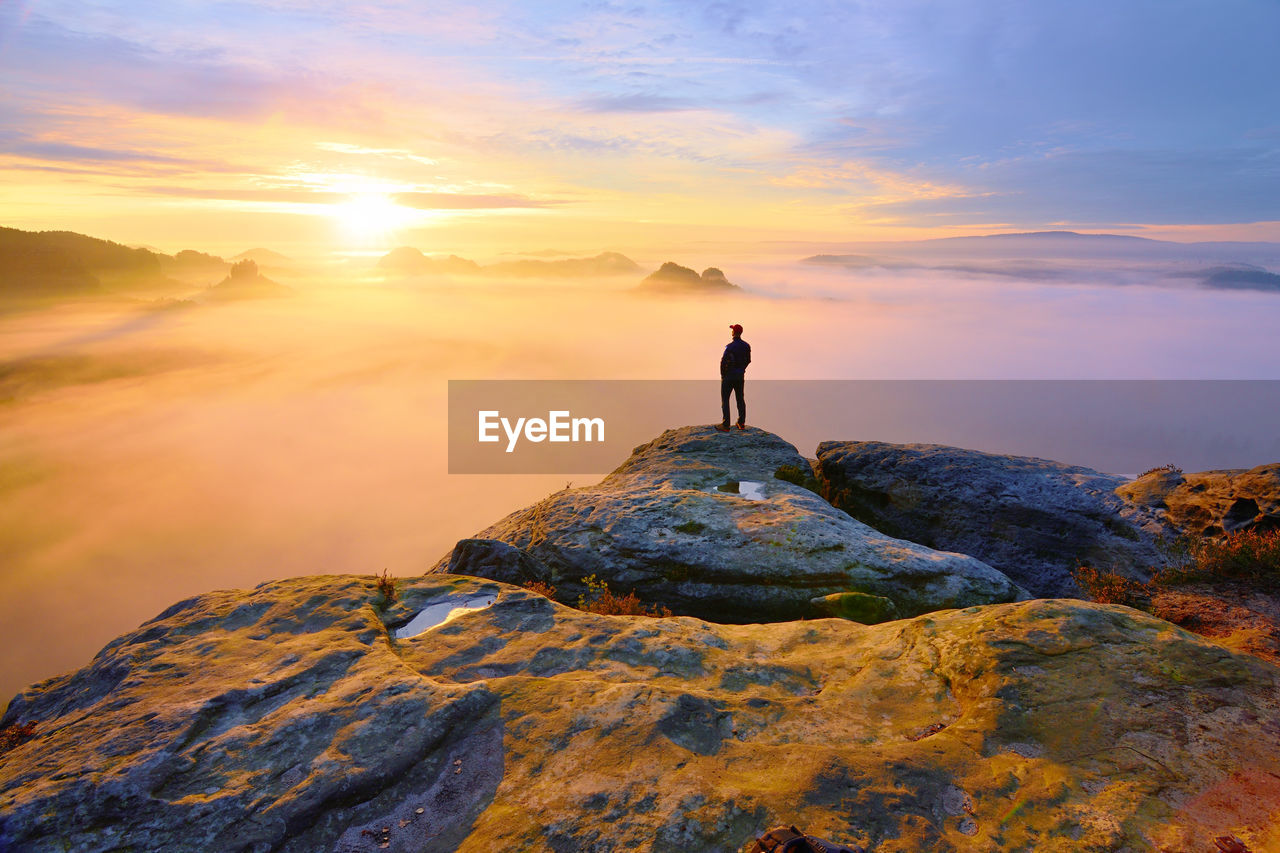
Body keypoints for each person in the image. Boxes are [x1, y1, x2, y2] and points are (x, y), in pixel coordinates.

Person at [717, 323, 751, 431]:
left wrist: (723, 375)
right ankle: (741, 423)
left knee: (725, 399)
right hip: (740, 376)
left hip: (729, 376)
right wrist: (742, 369)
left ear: (733, 333)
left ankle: (726, 425)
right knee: (740, 398)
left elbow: (723, 362)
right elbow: (748, 360)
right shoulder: (746, 346)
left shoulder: (730, 347)